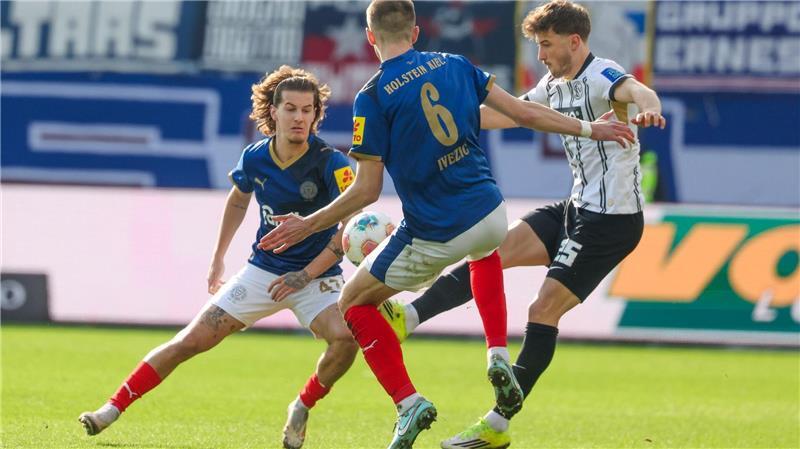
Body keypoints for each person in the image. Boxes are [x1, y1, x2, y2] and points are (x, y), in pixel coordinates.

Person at [258, 1, 634, 448]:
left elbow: (365, 191)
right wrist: (593, 130)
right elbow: (523, 113)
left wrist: (307, 225)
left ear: (371, 36)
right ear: (415, 34)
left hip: (434, 228)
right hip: (491, 212)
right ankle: (495, 352)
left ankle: (407, 402)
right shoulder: (455, 64)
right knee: (486, 249)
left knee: (353, 303)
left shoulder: (373, 96)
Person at [378, 1, 667, 448]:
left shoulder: (602, 75)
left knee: (541, 310)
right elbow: (504, 114)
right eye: (537, 46)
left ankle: (495, 426)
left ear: (574, 41)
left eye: (546, 45)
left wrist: (647, 109)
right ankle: (410, 316)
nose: (541, 56)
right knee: (492, 249)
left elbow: (638, 92)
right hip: (575, 207)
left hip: (610, 223)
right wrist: (437, 121)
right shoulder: (552, 85)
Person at [78, 66, 360, 449]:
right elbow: (238, 199)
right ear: (273, 112)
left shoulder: (333, 163)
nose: (299, 117)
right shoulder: (255, 157)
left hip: (316, 278)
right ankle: (110, 409)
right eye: (291, 108)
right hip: (264, 271)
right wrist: (218, 259)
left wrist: (306, 274)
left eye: (307, 110)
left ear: (316, 114)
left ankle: (302, 404)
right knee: (189, 342)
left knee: (345, 340)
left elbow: (348, 229)